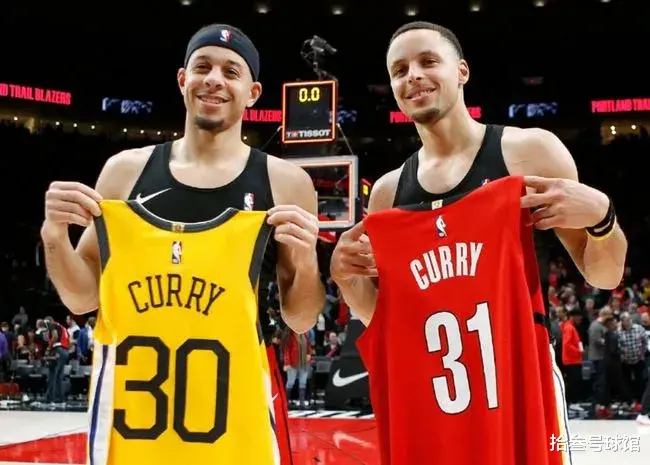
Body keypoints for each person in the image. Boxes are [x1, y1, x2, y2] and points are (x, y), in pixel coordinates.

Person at [331, 21, 627, 465]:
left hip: (517, 377)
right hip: (432, 386)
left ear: (462, 71)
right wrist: (347, 279)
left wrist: (603, 217)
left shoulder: (529, 152)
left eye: (428, 61)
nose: (413, 75)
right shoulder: (388, 193)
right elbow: (388, 317)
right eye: (400, 70)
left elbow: (605, 275)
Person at [41, 24, 324, 464]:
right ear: (182, 79)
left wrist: (306, 262)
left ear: (253, 92)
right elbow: (82, 298)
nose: (214, 79)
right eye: (202, 67)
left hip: (236, 420)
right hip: (134, 429)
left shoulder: (287, 183)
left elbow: (301, 318)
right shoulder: (124, 171)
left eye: (231, 71)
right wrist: (54, 236)